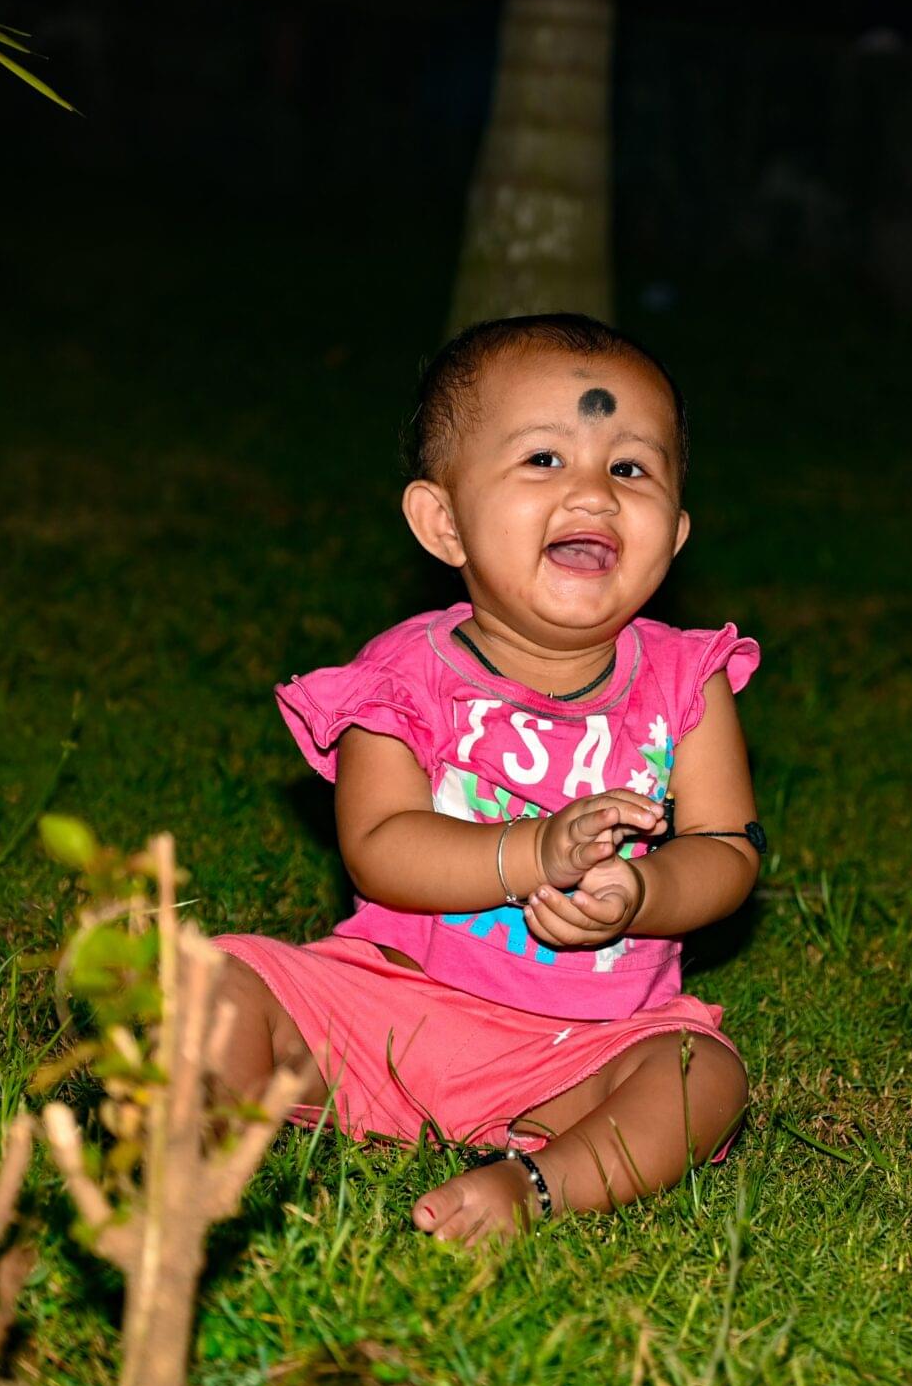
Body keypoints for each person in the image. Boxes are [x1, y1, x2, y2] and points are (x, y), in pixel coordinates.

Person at [212, 314, 761, 1242]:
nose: (592, 491)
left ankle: (537, 1184)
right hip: (388, 1018)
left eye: (630, 468)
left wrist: (644, 890)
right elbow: (380, 846)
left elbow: (730, 849)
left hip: (584, 1050)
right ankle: (194, 1142)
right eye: (544, 459)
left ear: (674, 531)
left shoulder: (685, 678)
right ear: (444, 521)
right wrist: (534, 849)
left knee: (701, 1075)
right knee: (216, 977)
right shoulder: (400, 677)